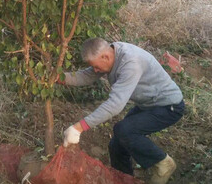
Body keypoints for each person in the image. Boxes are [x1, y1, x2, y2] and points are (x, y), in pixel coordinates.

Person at [61, 38, 185, 184]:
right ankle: (123, 180)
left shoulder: (130, 63)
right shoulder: (111, 54)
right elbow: (87, 75)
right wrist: (60, 78)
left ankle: (163, 163)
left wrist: (79, 127)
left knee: (124, 130)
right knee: (116, 145)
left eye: (95, 66)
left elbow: (115, 104)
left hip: (169, 106)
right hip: (148, 105)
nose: (95, 70)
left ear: (105, 57)